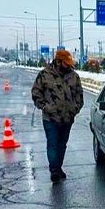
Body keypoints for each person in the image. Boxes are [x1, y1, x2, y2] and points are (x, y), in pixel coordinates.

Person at [30, 48, 84, 183]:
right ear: (59, 62)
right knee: (52, 144)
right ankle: (54, 169)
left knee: (62, 145)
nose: (69, 66)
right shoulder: (45, 74)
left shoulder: (74, 76)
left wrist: (74, 109)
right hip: (51, 118)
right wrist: (45, 107)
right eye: (67, 63)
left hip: (67, 117)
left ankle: (58, 167)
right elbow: (36, 92)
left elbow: (79, 95)